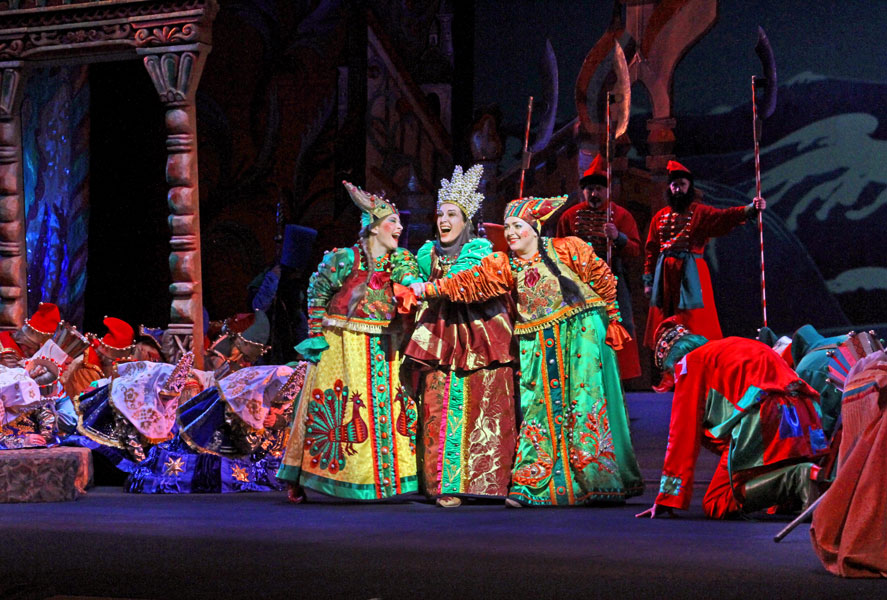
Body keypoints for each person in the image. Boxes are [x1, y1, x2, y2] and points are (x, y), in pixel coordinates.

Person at [411, 194, 644, 507]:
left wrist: (614, 318)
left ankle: (595, 480)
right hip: (537, 341)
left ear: (535, 229)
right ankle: (534, 484)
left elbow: (601, 276)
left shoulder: (566, 248)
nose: (510, 232)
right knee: (538, 408)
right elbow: (472, 282)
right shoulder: (505, 265)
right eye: (507, 226)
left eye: (517, 225)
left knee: (583, 404)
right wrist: (429, 288)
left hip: (582, 333)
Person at [276, 180, 421, 502]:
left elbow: (409, 275)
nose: (399, 228)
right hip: (343, 345)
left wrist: (413, 285)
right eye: (392, 221)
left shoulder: (400, 259)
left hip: (386, 345)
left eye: (399, 222)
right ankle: (305, 478)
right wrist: (315, 335)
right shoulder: (344, 259)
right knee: (334, 406)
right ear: (373, 228)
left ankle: (385, 480)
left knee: (390, 407)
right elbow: (317, 293)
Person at [402, 164, 517, 508]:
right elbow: (409, 276)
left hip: (481, 334)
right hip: (439, 336)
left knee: (486, 406)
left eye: (452, 214)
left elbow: (464, 283)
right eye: (440, 214)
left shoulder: (479, 252)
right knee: (437, 406)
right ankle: (442, 484)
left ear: (466, 221)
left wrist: (428, 288)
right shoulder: (427, 255)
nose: (443, 220)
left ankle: (488, 482)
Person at [636, 318, 828, 520]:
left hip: (764, 418)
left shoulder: (690, 363)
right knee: (772, 487)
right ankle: (800, 487)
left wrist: (668, 496)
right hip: (804, 413)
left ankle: (798, 478)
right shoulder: (734, 346)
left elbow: (682, 432)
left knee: (717, 502)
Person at [642, 161, 766, 359]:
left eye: (682, 184)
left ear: (689, 187)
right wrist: (649, 281)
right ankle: (669, 364)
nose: (678, 189)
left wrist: (750, 209)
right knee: (667, 320)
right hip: (665, 276)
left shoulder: (700, 212)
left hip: (691, 273)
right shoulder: (660, 217)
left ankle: (699, 359)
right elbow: (651, 250)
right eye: (674, 185)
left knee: (694, 320)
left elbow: (724, 216)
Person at [126, 362, 307, 494]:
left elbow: (287, 415)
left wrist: (277, 421)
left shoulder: (279, 386)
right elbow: (246, 444)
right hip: (217, 438)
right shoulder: (245, 397)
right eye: (275, 402)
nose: (277, 406)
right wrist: (261, 431)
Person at [557, 154, 641, 379]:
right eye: (589, 189)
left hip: (612, 279)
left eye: (598, 189)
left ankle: (619, 376)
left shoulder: (620, 215)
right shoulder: (569, 216)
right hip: (580, 282)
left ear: (607, 190)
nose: (594, 194)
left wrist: (618, 237)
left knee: (620, 324)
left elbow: (635, 250)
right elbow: (558, 251)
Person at [249, 224, 317, 364]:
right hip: (265, 340)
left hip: (288, 346)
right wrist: (273, 279)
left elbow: (298, 317)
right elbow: (258, 306)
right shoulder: (268, 278)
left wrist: (304, 348)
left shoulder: (294, 287)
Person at [63, 316, 135, 399]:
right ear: (111, 361)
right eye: (117, 364)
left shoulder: (104, 370)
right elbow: (83, 401)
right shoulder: (87, 372)